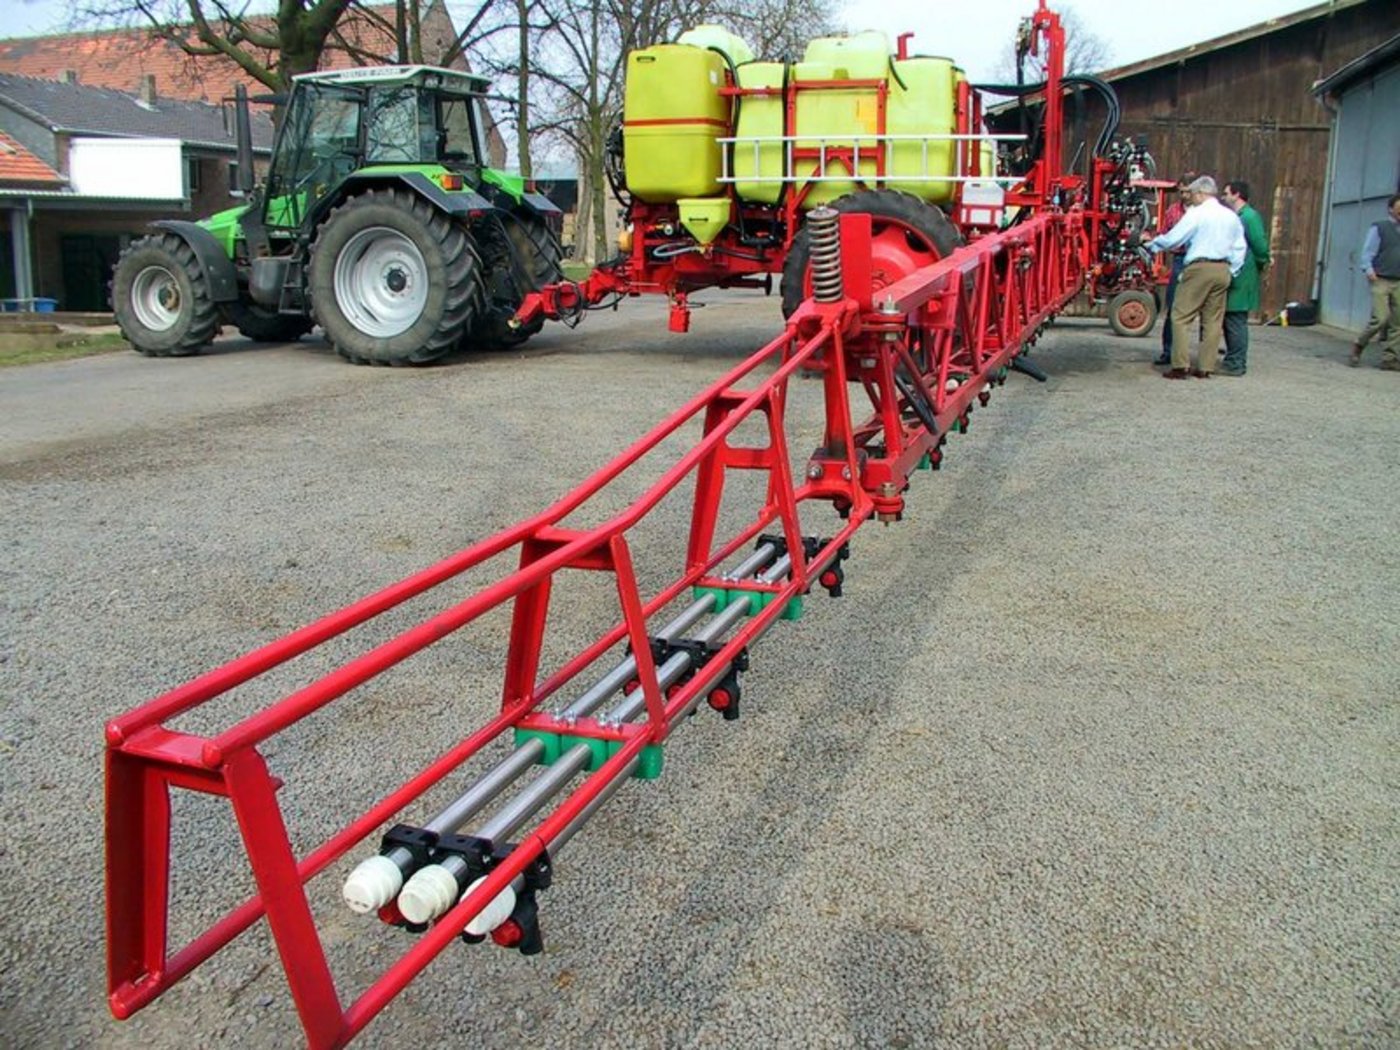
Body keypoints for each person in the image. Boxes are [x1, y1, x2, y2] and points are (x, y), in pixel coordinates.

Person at [1143, 175, 1247, 379]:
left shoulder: (1197, 214)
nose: (1189, 198)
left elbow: (1175, 238)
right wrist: (1232, 269)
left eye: (1192, 193)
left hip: (1199, 267)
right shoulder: (1231, 216)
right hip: (1223, 269)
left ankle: (1180, 366)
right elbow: (1239, 247)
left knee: (1180, 316)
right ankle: (1205, 367)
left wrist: (1152, 245)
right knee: (1212, 320)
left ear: (1201, 193)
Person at [1218, 180, 1271, 376]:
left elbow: (1260, 245)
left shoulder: (1249, 217)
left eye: (1226, 193)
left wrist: (1260, 262)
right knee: (1230, 317)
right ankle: (1233, 357)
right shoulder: (1240, 216)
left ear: (1237, 194)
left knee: (1236, 317)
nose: (1223, 198)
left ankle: (1236, 362)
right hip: (1239, 271)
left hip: (1244, 272)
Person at [1351, 193, 1400, 371]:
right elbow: (1368, 251)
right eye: (1399, 208)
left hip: (1399, 280)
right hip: (1381, 278)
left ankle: (1390, 358)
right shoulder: (1380, 227)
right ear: (1391, 209)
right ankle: (1359, 344)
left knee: (1398, 321)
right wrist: (1369, 269)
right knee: (1380, 318)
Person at [1153, 172, 1197, 367]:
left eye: (1188, 192)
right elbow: (1164, 233)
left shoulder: (1202, 212)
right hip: (1179, 258)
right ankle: (1168, 351)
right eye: (1181, 191)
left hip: (1197, 259)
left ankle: (1203, 356)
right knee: (1174, 306)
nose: (1184, 195)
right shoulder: (1173, 211)